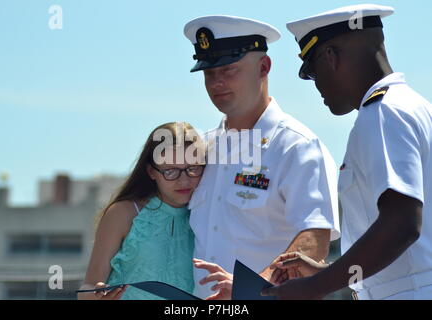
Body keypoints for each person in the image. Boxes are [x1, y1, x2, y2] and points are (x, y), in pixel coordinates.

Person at [263, 4, 432, 300]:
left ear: (331, 57)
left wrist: (314, 287)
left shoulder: (383, 113)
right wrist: (330, 273)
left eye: (313, 73)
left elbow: (402, 224)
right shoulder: (414, 106)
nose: (317, 88)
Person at [183, 15, 341, 299]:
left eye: (229, 69)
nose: (217, 82)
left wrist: (255, 288)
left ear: (264, 67)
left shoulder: (296, 146)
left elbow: (315, 237)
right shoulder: (201, 149)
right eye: (209, 73)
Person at [77, 122, 205, 300]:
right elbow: (88, 287)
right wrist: (96, 296)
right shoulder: (124, 213)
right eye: (170, 171)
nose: (183, 180)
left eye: (192, 168)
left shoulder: (208, 214)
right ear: (151, 171)